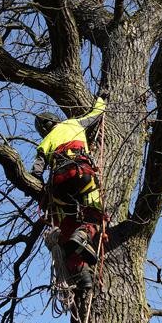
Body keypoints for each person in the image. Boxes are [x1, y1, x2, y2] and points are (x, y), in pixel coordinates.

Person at [31, 96, 106, 289]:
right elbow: (96, 114)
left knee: (67, 223)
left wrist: (40, 192)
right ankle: (83, 235)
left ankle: (81, 273)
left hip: (58, 182)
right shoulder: (73, 124)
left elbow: (36, 171)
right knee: (94, 212)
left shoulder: (45, 142)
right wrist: (101, 99)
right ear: (55, 121)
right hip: (81, 174)